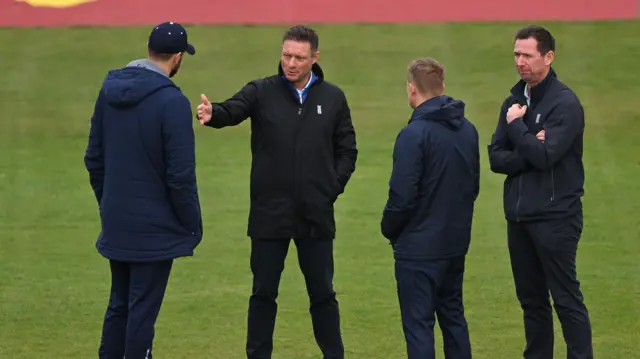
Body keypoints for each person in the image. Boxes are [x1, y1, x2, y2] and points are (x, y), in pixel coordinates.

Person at [196, 24, 357, 359]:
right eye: (286, 55)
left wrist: (330, 188)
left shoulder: (333, 98)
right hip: (270, 214)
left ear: (315, 57)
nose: (291, 63)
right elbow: (234, 109)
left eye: (299, 57)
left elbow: (347, 151)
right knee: (263, 294)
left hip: (315, 215)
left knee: (323, 294)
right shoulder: (262, 91)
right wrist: (214, 115)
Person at [84, 21, 203, 359]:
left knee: (119, 305)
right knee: (141, 313)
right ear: (177, 58)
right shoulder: (173, 103)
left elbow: (94, 158)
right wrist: (191, 223)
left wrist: (109, 203)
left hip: (117, 221)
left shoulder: (108, 92)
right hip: (154, 231)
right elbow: (180, 176)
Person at [487, 25, 593, 359]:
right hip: (519, 217)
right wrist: (530, 141)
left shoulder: (565, 104)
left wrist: (517, 127)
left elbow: (547, 157)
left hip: (555, 217)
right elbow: (495, 158)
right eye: (517, 54)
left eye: (527, 55)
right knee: (531, 300)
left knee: (565, 298)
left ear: (548, 57)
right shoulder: (514, 100)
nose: (520, 62)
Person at [381, 57, 480, 359]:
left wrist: (389, 229)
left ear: (412, 89)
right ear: (443, 87)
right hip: (454, 244)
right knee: (453, 319)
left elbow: (402, 196)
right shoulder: (468, 130)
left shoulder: (413, 135)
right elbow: (472, 187)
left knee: (419, 326)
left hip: (418, 250)